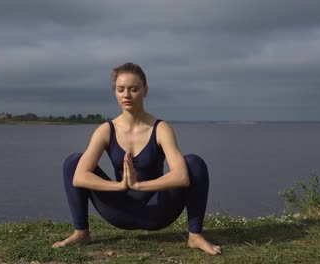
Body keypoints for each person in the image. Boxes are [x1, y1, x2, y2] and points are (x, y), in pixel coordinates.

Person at [52, 62, 221, 255]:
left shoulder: (161, 129)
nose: (126, 95)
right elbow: (79, 177)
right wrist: (122, 185)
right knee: (74, 162)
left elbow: (181, 176)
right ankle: (81, 233)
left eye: (133, 89)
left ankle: (195, 236)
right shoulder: (106, 130)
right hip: (118, 210)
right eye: (120, 89)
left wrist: (139, 185)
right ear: (115, 92)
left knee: (194, 163)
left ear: (145, 91)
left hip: (157, 211)